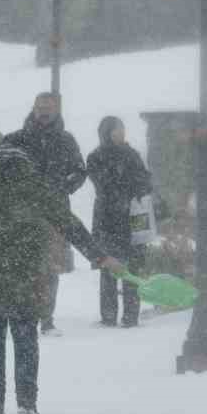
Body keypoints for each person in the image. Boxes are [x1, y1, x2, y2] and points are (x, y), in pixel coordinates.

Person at [0, 142, 122, 414]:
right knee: (26, 332)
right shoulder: (34, 183)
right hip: (27, 268)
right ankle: (27, 402)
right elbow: (67, 222)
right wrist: (98, 256)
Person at [1, 93, 87, 336]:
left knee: (49, 268)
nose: (44, 111)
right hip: (22, 213)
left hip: (55, 214)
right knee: (23, 266)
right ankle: (22, 315)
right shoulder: (17, 139)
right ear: (33, 108)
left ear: (57, 109)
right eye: (40, 107)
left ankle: (47, 319)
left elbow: (79, 171)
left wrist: (63, 187)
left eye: (48, 107)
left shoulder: (66, 140)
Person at [86, 116, 155, 328]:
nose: (122, 132)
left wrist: (137, 189)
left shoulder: (132, 154)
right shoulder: (96, 156)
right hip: (107, 218)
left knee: (133, 267)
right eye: (117, 129)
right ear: (107, 132)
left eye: (123, 128)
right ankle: (108, 316)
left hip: (133, 215)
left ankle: (131, 316)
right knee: (108, 265)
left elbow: (145, 180)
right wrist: (126, 187)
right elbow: (103, 184)